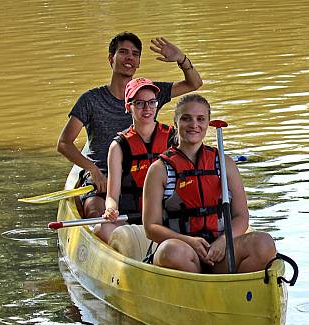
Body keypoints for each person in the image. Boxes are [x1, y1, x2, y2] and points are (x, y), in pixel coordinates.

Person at [57, 32, 203, 219]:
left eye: (135, 54)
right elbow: (64, 143)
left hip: (144, 174)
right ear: (111, 58)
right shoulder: (91, 100)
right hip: (103, 176)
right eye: (124, 52)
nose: (130, 58)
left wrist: (181, 59)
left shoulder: (149, 92)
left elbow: (195, 83)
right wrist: (92, 169)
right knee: (96, 212)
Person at [142, 94, 277, 274]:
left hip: (220, 251)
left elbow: (241, 216)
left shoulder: (224, 163)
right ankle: (199, 287)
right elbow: (151, 228)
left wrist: (224, 241)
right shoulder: (159, 169)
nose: (194, 125)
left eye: (200, 119)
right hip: (182, 252)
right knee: (171, 251)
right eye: (186, 118)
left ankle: (235, 290)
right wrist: (189, 241)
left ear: (208, 123)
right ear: (175, 123)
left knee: (264, 243)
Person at [95, 78, 176, 243]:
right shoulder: (118, 147)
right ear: (128, 107)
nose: (147, 108)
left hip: (168, 218)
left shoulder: (174, 139)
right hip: (133, 219)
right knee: (103, 228)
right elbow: (112, 196)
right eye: (139, 103)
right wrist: (111, 209)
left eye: (151, 102)